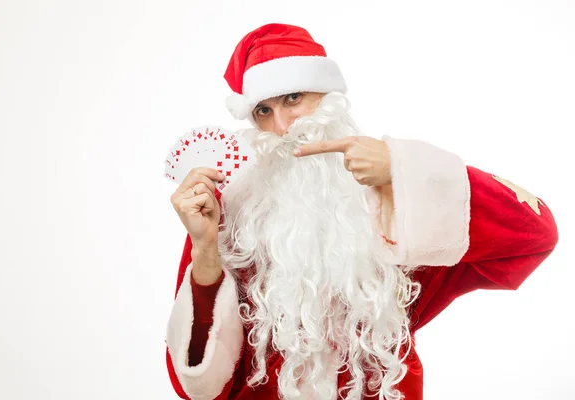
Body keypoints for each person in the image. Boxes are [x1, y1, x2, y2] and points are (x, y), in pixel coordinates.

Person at [164, 23, 558, 400]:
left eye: (292, 99)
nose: (283, 126)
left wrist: (400, 168)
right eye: (263, 112)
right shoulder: (238, 220)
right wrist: (204, 250)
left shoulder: (401, 209)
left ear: (329, 99)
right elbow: (199, 385)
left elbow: (533, 235)